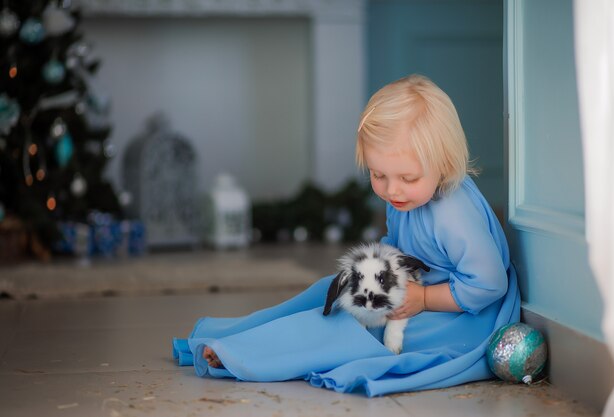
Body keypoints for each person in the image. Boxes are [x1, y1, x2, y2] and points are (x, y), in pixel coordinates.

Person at [172, 74, 520, 396]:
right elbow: (400, 244)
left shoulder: (451, 215)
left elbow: (489, 284)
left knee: (351, 326)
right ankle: (236, 334)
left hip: (458, 316)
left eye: (407, 178)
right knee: (326, 291)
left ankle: (246, 354)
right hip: (415, 290)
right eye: (377, 174)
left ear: (444, 164)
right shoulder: (404, 195)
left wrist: (424, 299)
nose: (391, 189)